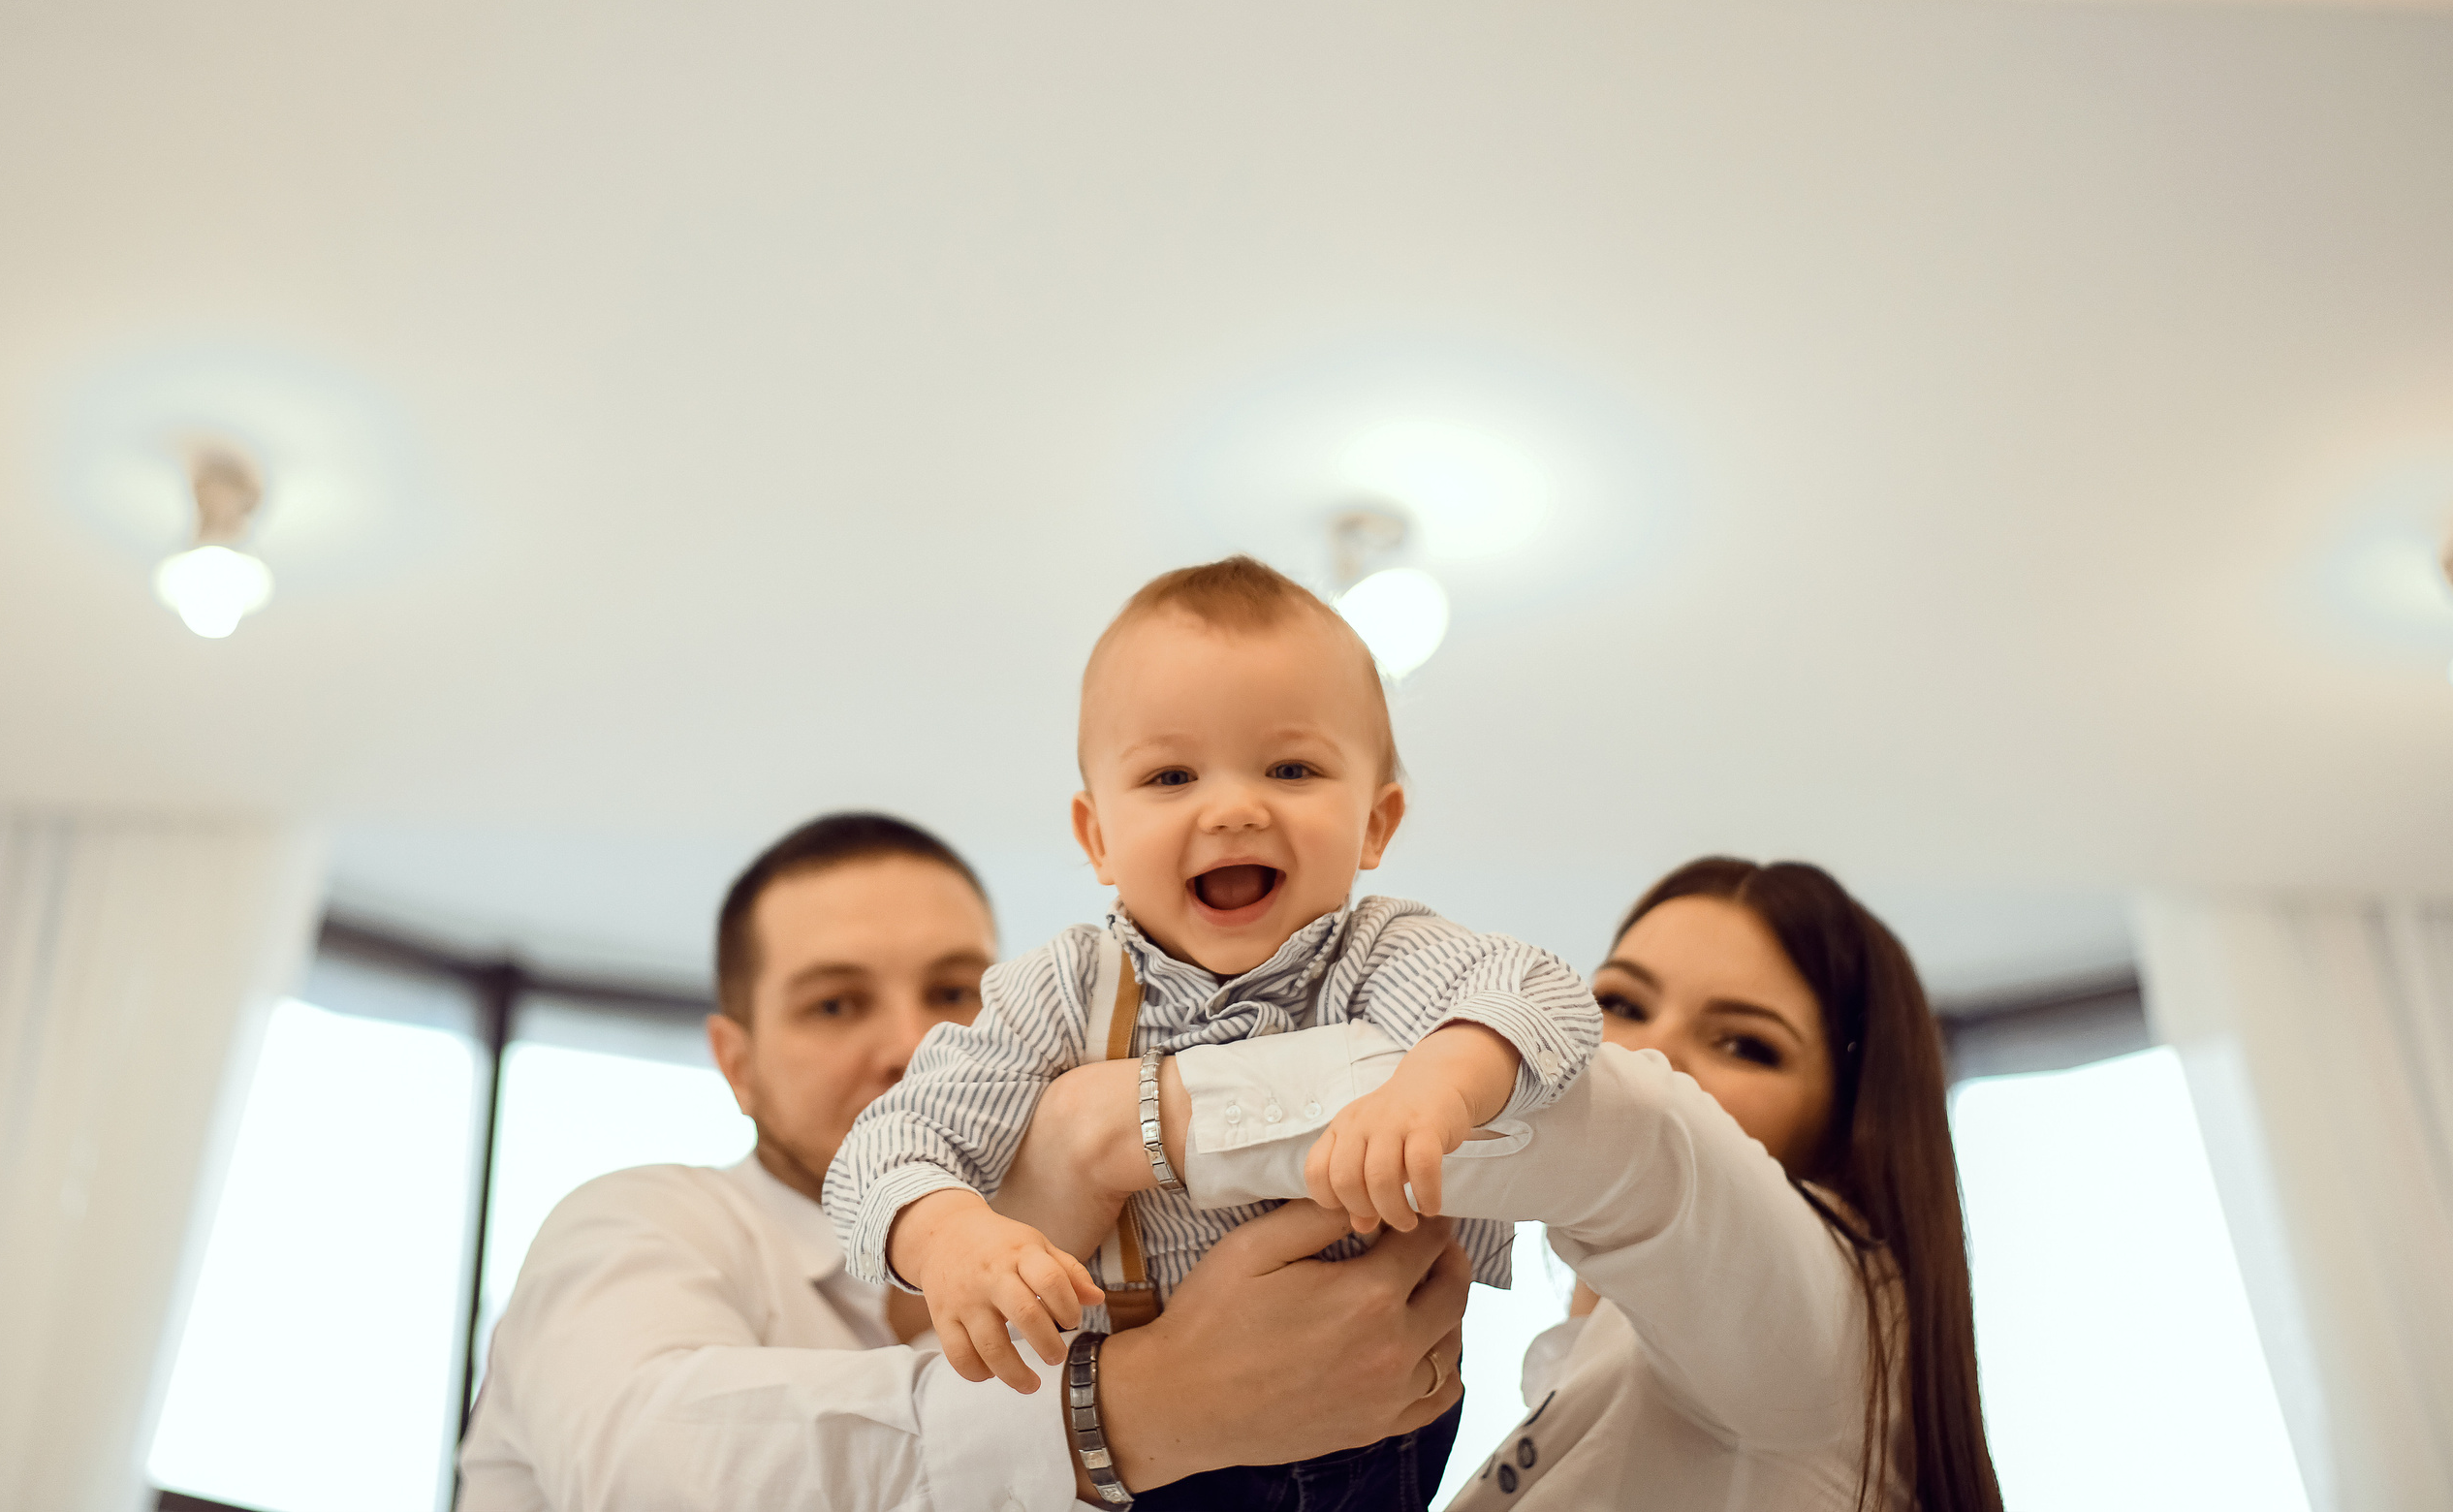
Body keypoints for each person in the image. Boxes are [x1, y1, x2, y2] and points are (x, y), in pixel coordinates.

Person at [823, 558, 1602, 1509]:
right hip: (1157, 1446)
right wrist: (949, 1236)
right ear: (1096, 835)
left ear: (1375, 822)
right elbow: (883, 1148)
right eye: (1170, 774)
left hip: (1382, 1423)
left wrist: (1435, 1085)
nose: (1232, 806)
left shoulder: (1381, 955)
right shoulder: (1065, 993)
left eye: (1291, 768)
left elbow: (1541, 993)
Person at [455, 810, 1472, 1511]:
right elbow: (650, 1470)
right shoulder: (639, 1224)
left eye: (952, 993)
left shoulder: (1119, 1256)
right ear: (738, 1064)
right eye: (834, 1004)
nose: (910, 1045)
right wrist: (1149, 1405)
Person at [1008, 856, 2005, 1511]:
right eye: (1617, 1003)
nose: (1651, 1053)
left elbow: (1636, 1125)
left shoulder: (1835, 1326)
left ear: (1847, 1122)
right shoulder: (1580, 1380)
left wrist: (1105, 1126)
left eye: (1743, 1042)